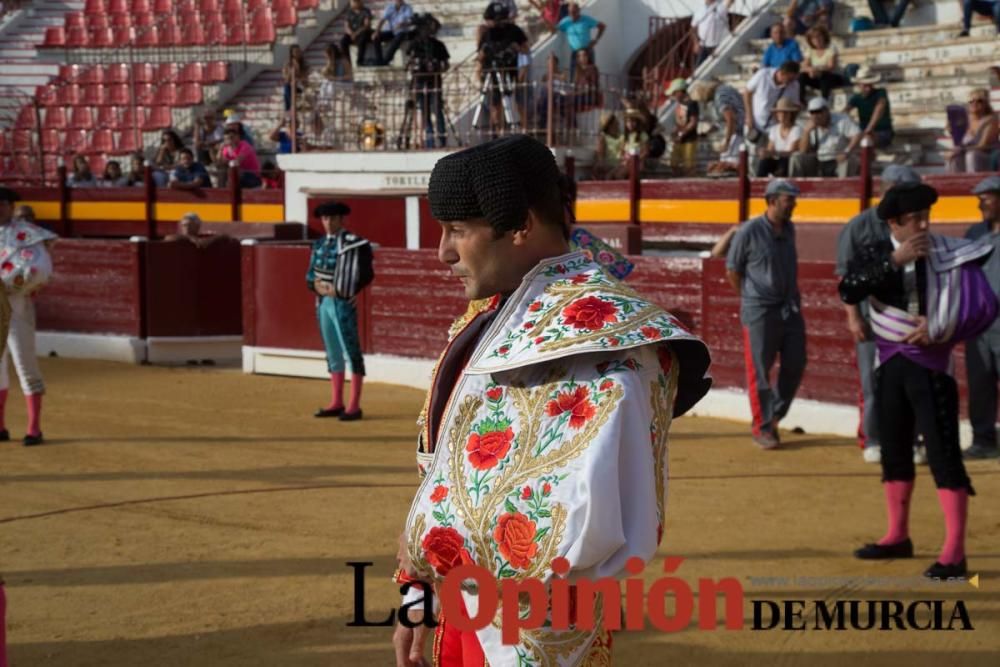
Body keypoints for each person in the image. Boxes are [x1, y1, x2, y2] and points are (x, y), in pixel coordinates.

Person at [391, 135, 711, 666]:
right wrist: (417, 587)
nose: (444, 252)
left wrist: (426, 560)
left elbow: (571, 529)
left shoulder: (615, 346)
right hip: (462, 608)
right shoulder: (492, 313)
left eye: (458, 231)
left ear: (520, 226)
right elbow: (445, 472)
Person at [840, 182, 999, 580]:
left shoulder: (945, 251)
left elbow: (981, 304)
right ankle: (897, 535)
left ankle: (955, 553)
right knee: (895, 450)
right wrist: (894, 259)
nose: (925, 225)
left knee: (944, 454)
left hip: (932, 365)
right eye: (916, 219)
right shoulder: (877, 251)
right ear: (894, 222)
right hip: (890, 363)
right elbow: (849, 289)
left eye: (927, 217)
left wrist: (942, 325)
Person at [835, 164, 924, 464]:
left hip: (907, 319)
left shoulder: (916, 225)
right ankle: (872, 437)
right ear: (887, 190)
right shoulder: (859, 226)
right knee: (872, 383)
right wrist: (853, 317)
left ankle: (910, 439)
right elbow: (845, 276)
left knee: (911, 382)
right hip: (871, 319)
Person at [726, 179, 805, 449]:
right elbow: (732, 270)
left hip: (788, 308)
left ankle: (774, 417)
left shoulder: (790, 229)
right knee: (759, 371)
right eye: (788, 199)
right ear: (772, 200)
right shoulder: (749, 231)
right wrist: (750, 298)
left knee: (796, 363)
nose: (793, 204)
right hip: (759, 309)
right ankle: (762, 426)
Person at [0, 186, 57, 447]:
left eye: (1, 203)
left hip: (16, 304)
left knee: (25, 364)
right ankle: (0, 426)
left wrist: (10, 284)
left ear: (10, 206)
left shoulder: (28, 235)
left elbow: (39, 269)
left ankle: (34, 429)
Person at [307, 201, 373, 421]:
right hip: (323, 302)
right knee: (333, 352)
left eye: (333, 218)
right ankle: (336, 401)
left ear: (341, 220)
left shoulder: (353, 244)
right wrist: (315, 286)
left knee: (351, 351)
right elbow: (310, 275)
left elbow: (365, 274)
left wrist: (343, 289)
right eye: (325, 218)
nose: (328, 222)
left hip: (343, 302)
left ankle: (354, 405)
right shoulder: (319, 245)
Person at [962, 175, 1000, 460]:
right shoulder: (974, 234)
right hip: (979, 324)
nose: (980, 204)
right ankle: (983, 440)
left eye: (986, 198)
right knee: (980, 384)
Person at [406, 15, 450, 149]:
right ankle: (430, 140)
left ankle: (442, 140)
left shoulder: (438, 45)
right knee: (424, 112)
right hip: (419, 81)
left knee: (437, 109)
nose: (426, 31)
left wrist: (437, 67)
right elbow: (409, 63)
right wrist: (416, 64)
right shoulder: (414, 44)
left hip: (434, 81)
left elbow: (446, 64)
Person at [790, 96, 861, 177]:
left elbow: (857, 135)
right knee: (796, 157)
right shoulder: (808, 125)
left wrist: (846, 151)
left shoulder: (842, 119)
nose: (815, 116)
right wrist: (806, 132)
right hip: (818, 160)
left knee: (848, 161)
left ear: (826, 111)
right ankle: (796, 186)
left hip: (837, 158)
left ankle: (842, 187)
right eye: (812, 112)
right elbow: (803, 150)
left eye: (818, 112)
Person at [743, 60, 801, 147]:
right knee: (753, 156)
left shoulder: (794, 85)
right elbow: (747, 92)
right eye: (790, 79)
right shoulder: (763, 75)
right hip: (755, 124)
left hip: (775, 129)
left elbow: (795, 106)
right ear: (782, 73)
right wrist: (749, 116)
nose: (791, 82)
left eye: (794, 79)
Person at [947, 88, 999, 173]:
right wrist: (952, 131)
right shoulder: (964, 120)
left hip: (986, 155)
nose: (974, 103)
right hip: (966, 152)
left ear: (986, 104)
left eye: (979, 101)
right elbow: (959, 142)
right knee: (954, 157)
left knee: (971, 155)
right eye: (971, 101)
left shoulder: (991, 120)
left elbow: (983, 146)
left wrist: (960, 149)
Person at [845, 65, 894, 150]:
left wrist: (869, 129)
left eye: (869, 85)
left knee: (866, 139)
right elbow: (844, 112)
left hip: (882, 132)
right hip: (864, 132)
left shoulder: (880, 93)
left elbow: (880, 107)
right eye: (865, 85)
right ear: (859, 85)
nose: (868, 88)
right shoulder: (856, 98)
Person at [557, 2, 605, 81]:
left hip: (587, 51)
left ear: (579, 11)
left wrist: (596, 39)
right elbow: (556, 29)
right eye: (570, 12)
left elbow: (602, 26)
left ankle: (591, 91)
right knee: (574, 75)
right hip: (575, 52)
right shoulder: (565, 22)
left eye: (574, 12)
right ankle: (576, 92)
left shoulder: (586, 19)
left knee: (591, 74)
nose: (572, 14)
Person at [797, 25, 846, 104]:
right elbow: (804, 66)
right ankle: (800, 100)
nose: (817, 39)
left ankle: (824, 101)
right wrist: (810, 70)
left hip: (832, 78)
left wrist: (817, 70)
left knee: (825, 76)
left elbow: (831, 66)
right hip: (816, 77)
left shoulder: (831, 48)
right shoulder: (810, 51)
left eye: (819, 36)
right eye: (813, 38)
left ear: (824, 36)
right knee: (802, 76)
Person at [757, 98, 801, 177]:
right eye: (780, 113)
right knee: (764, 161)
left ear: (791, 114)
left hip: (789, 162)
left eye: (785, 113)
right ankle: (758, 183)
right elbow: (770, 149)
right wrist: (765, 152)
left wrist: (773, 152)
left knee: (784, 161)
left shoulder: (796, 130)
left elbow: (791, 151)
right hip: (776, 160)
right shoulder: (774, 129)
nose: (782, 115)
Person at [668, 78, 699, 176]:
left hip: (689, 139)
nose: (673, 96)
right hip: (679, 139)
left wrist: (682, 133)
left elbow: (693, 122)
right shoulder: (679, 105)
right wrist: (675, 132)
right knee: (673, 163)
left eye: (674, 93)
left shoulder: (692, 104)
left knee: (688, 166)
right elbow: (679, 123)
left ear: (680, 92)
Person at [691, 0, 733, 67]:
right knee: (699, 68)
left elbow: (730, 1)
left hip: (720, 44)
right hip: (704, 45)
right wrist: (696, 43)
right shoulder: (699, 9)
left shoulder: (721, 5)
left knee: (720, 66)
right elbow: (693, 28)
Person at [373, 0, 414, 66]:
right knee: (376, 38)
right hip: (390, 30)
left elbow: (411, 22)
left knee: (397, 39)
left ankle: (386, 60)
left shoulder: (408, 7)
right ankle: (379, 60)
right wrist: (377, 31)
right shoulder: (390, 7)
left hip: (402, 31)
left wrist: (403, 24)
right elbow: (382, 20)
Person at [341, 0, 374, 66]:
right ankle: (348, 61)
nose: (351, 3)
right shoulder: (349, 12)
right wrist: (351, 33)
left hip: (362, 32)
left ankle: (360, 61)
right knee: (343, 41)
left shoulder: (366, 11)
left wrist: (356, 33)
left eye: (353, 2)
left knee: (362, 39)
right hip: (352, 33)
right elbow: (346, 26)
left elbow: (366, 25)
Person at [592, 111, 623, 179]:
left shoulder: (621, 137)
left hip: (620, 165)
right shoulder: (603, 137)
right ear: (609, 125)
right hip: (609, 165)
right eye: (615, 123)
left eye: (617, 123)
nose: (617, 124)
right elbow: (600, 155)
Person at [282, 44, 309, 111]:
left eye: (299, 51)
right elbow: (286, 79)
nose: (298, 53)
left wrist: (299, 72)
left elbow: (305, 79)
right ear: (292, 54)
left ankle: (290, 109)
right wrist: (291, 72)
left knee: (286, 91)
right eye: (296, 52)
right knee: (286, 88)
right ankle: (292, 108)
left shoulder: (304, 64)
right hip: (291, 86)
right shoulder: (288, 64)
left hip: (300, 87)